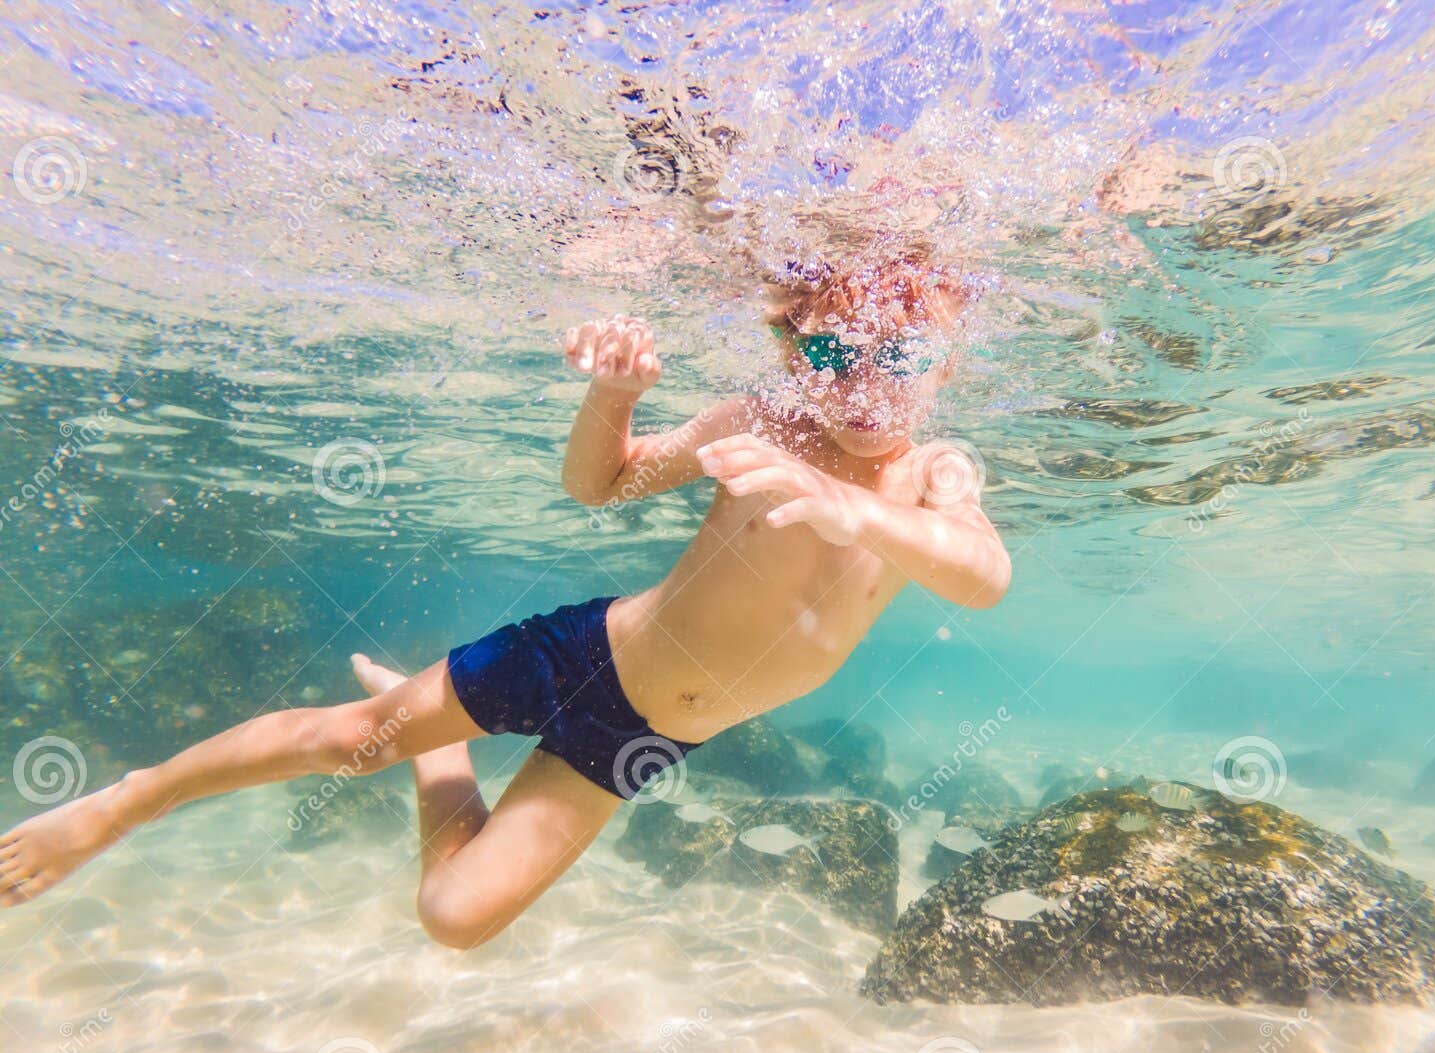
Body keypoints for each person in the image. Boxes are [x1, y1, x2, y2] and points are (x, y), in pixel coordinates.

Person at [0, 254, 1010, 947]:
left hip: (644, 739)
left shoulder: (933, 472)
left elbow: (981, 571)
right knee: (341, 740)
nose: (867, 383)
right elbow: (599, 486)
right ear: (794, 354)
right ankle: (126, 803)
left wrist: (853, 510)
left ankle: (442, 762)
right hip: (582, 657)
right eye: (835, 355)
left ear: (947, 365)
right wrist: (613, 401)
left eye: (904, 357)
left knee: (454, 918)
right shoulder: (760, 420)